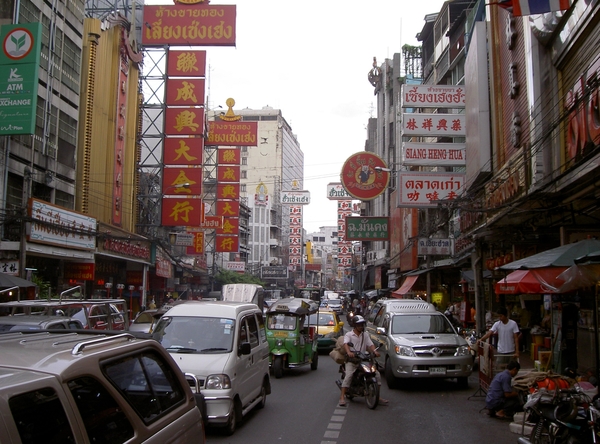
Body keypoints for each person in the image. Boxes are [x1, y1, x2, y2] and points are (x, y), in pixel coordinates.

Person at [338, 315, 389, 407]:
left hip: (363, 358)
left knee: (376, 374)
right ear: (354, 325)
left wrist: (375, 351)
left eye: (362, 325)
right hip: (352, 360)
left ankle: (378, 397)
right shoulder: (349, 334)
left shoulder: (365, 335)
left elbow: (370, 344)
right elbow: (346, 344)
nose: (361, 327)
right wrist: (349, 352)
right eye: (359, 325)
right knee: (349, 375)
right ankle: (342, 397)